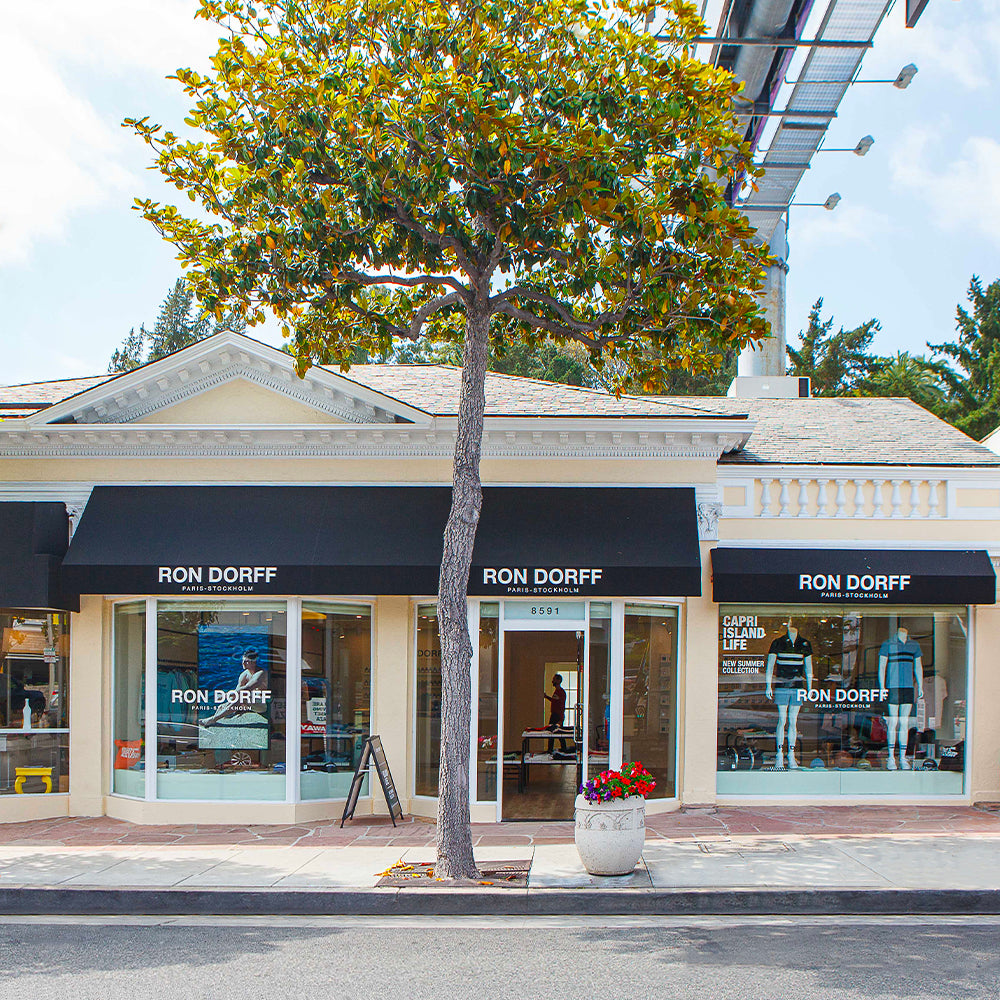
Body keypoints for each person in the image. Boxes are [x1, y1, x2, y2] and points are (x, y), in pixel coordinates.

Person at [202, 648, 269, 728]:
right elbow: (237, 692)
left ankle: (213, 719)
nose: (243, 663)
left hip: (263, 705)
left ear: (253, 662)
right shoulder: (244, 674)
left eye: (246, 661)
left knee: (242, 697)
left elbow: (247, 688)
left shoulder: (261, 674)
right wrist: (226, 704)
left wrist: (226, 695)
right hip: (251, 703)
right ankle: (216, 716)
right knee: (227, 703)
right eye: (243, 660)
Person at [544, 674, 569, 754]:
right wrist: (546, 697)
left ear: (558, 681)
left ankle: (563, 750)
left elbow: (562, 706)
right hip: (554, 715)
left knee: (559, 733)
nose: (552, 681)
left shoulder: (561, 692)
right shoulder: (557, 692)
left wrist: (561, 719)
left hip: (557, 716)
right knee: (552, 733)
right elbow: (554, 701)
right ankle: (550, 750)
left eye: (554, 679)